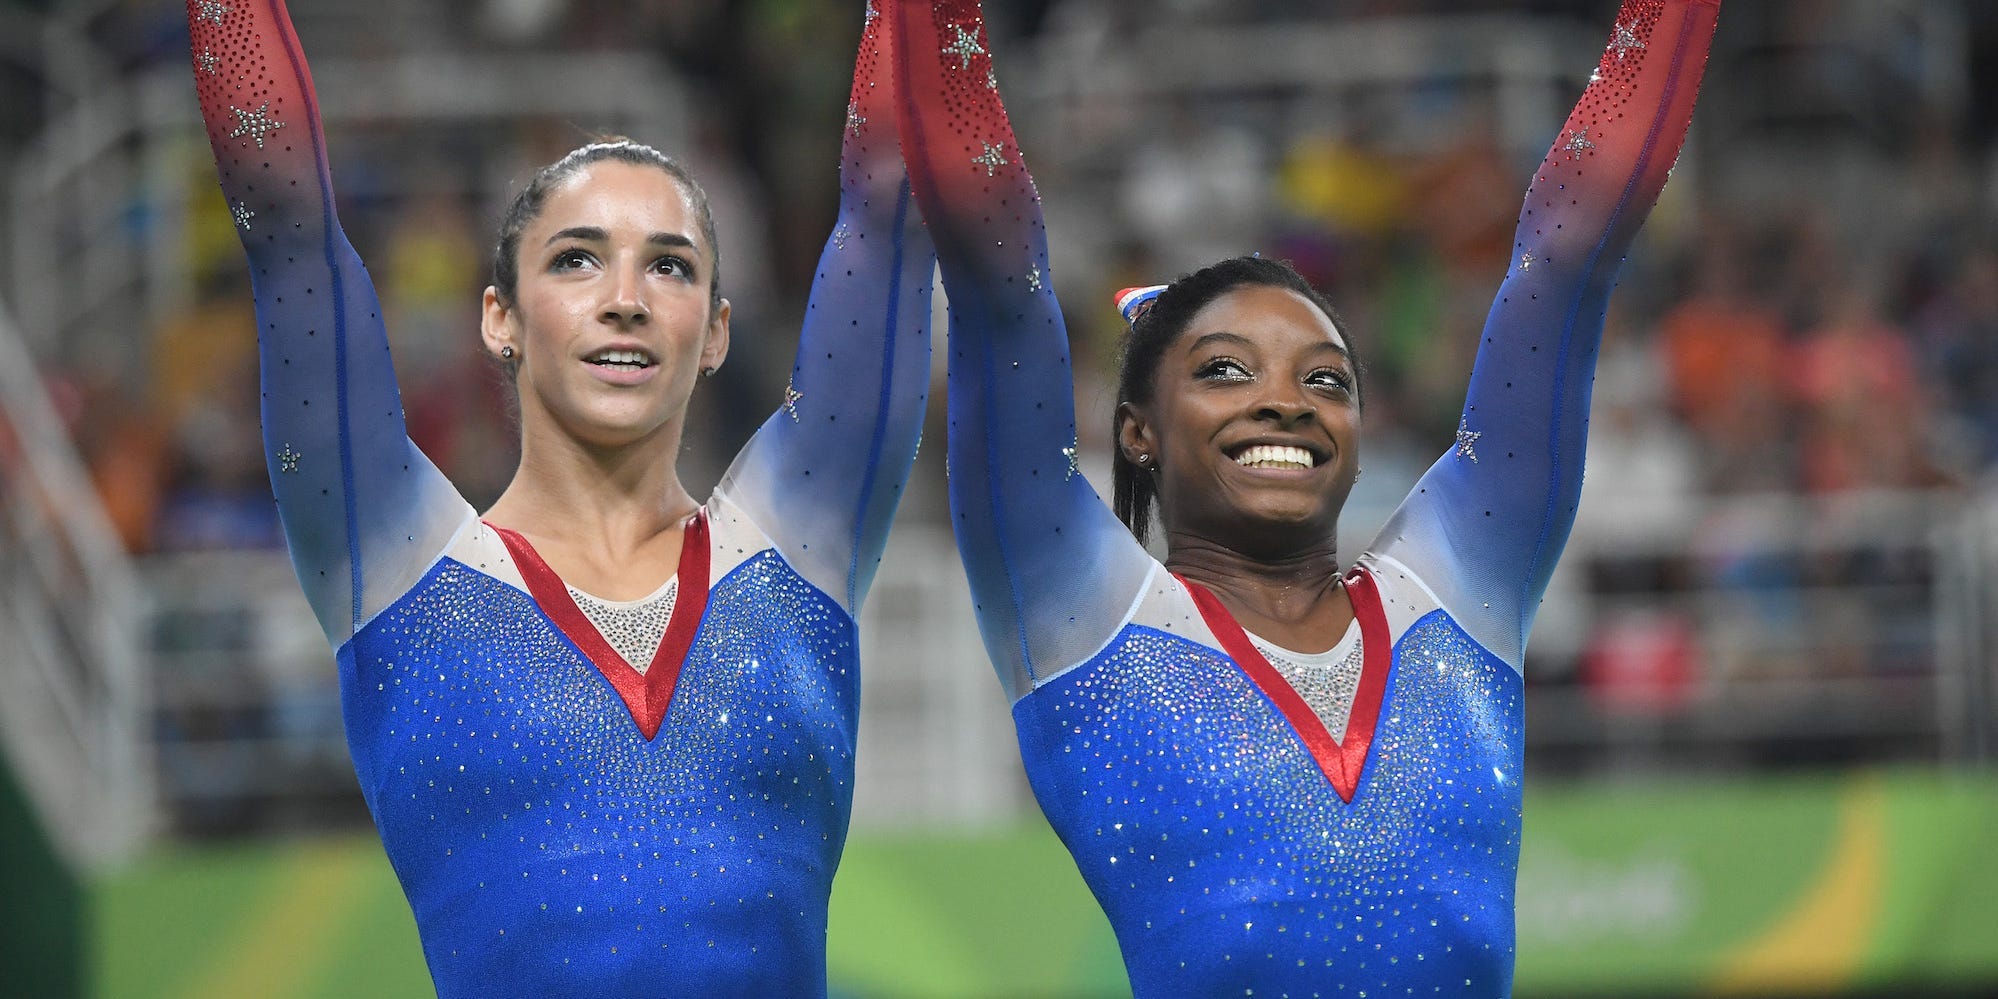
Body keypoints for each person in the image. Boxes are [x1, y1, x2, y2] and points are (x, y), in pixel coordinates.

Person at [886, 0, 1719, 993]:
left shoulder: (1459, 596)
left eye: (1326, 380)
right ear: (1139, 432)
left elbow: (1571, 250)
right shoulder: (1084, 620)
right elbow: (996, 282)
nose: (1285, 402)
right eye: (1227, 372)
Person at [184, 0, 934, 994]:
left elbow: (889, 202)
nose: (624, 296)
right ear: (499, 317)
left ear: (713, 333)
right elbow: (285, 221)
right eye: (576, 258)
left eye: (668, 266)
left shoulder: (799, 552)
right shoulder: (398, 566)